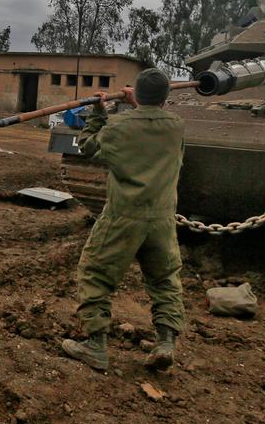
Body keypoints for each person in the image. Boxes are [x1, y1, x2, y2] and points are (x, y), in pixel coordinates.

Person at [61, 68, 185, 372]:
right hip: (162, 219)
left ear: (136, 94)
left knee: (94, 273)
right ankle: (166, 342)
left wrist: (99, 111)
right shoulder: (177, 126)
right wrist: (140, 104)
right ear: (166, 96)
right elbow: (154, 119)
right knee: (164, 279)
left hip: (123, 217)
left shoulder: (118, 127)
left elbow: (87, 145)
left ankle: (96, 346)